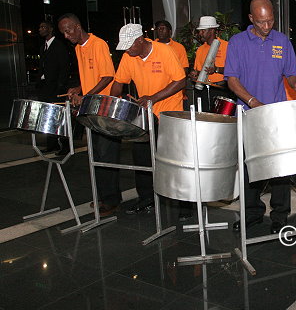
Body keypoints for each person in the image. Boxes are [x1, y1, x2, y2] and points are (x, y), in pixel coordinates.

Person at [225, 0, 296, 234]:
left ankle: (280, 216)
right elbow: (232, 79)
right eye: (261, 21)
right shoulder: (237, 42)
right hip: (248, 113)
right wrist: (252, 101)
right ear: (251, 18)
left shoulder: (281, 41)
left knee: (279, 167)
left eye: (270, 21)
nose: (266, 26)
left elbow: (290, 74)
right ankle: (252, 213)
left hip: (276, 114)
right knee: (249, 166)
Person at [110, 23, 186, 214]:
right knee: (142, 158)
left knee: (173, 160)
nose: (127, 50)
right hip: (146, 115)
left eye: (129, 45)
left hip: (169, 113)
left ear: (140, 40)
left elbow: (180, 81)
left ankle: (184, 204)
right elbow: (118, 82)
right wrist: (111, 103)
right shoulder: (129, 57)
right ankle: (146, 198)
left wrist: (153, 98)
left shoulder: (164, 51)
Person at [58, 13, 120, 217]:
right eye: (63, 33)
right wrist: (78, 89)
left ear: (77, 27)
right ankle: (104, 196)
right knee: (96, 154)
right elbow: (89, 78)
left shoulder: (98, 44)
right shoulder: (78, 48)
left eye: (68, 31)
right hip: (91, 108)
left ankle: (111, 201)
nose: (66, 36)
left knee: (107, 154)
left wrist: (86, 96)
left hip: (105, 107)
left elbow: (108, 76)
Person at [37, 20, 70, 154]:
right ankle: (52, 144)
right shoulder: (43, 47)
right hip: (45, 86)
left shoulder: (59, 45)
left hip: (56, 87)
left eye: (43, 27)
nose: (40, 29)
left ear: (50, 29)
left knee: (59, 117)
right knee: (47, 116)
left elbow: (64, 67)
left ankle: (65, 145)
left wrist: (60, 86)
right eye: (40, 27)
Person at [189, 16, 232, 112]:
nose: (200, 33)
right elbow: (199, 71)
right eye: (200, 31)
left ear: (212, 30)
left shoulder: (226, 46)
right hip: (204, 90)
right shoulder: (200, 50)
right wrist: (195, 74)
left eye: (203, 31)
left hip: (221, 90)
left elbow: (234, 70)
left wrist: (216, 69)